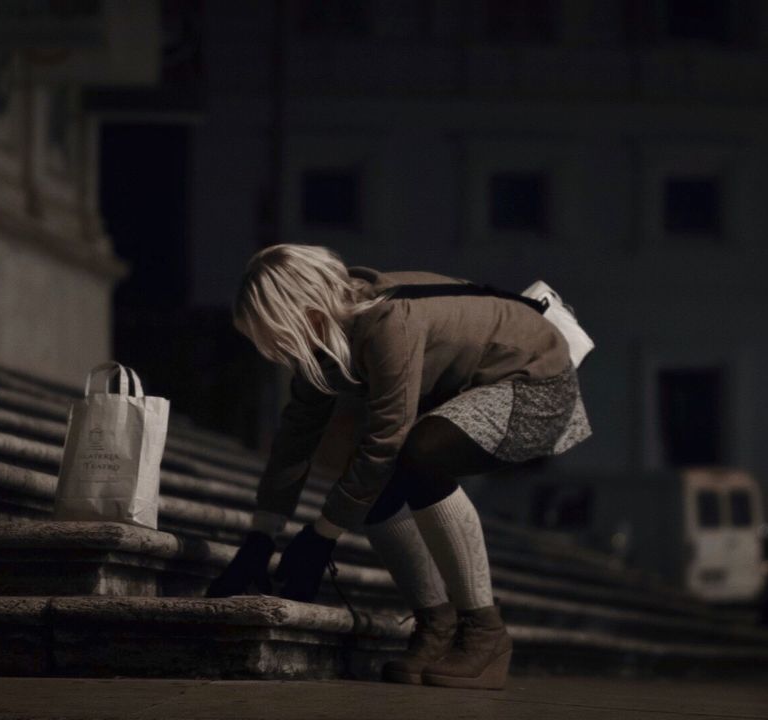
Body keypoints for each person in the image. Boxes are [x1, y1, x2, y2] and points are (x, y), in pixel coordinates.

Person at [205, 244, 592, 690]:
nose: (276, 353)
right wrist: (259, 537)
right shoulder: (325, 340)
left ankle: (486, 632)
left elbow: (385, 440)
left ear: (305, 315)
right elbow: (294, 441)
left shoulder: (388, 322)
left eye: (276, 338)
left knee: (418, 454)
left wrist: (320, 538)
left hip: (538, 381)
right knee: (377, 484)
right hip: (475, 385)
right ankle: (437, 625)